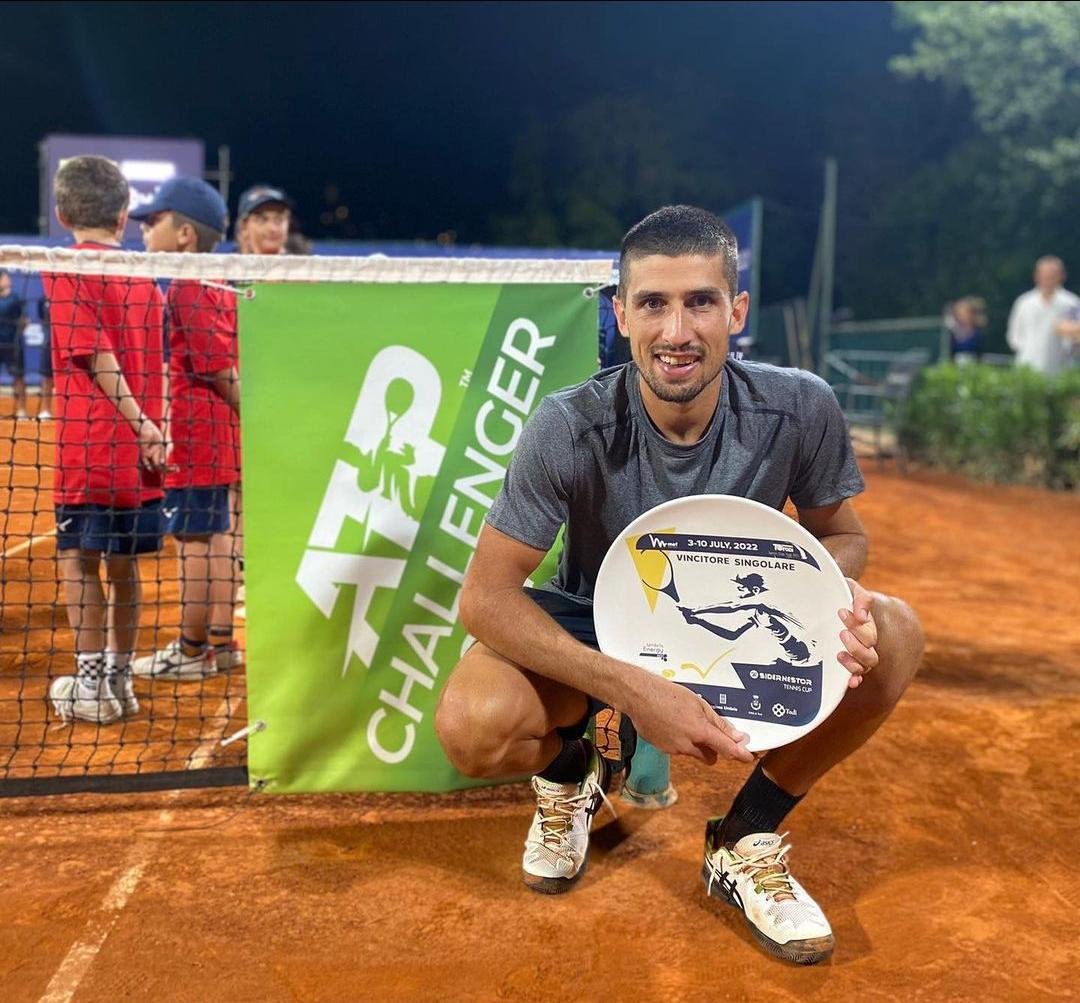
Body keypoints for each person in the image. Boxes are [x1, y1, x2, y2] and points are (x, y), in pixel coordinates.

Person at [434, 206, 924, 966]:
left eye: (700, 301)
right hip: (600, 621)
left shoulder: (800, 405)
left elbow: (843, 533)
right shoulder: (568, 424)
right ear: (621, 314)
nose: (677, 330)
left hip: (739, 624)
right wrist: (630, 688)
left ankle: (745, 834)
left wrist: (838, 599)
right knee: (474, 722)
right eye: (654, 304)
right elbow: (484, 597)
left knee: (893, 635)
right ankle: (572, 777)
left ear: (737, 311)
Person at [42, 155, 167, 723]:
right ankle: (120, 681)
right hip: (141, 461)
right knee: (124, 567)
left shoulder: (64, 266)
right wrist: (152, 427)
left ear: (62, 212)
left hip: (93, 447)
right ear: (122, 216)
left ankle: (92, 687)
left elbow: (95, 354)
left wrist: (138, 420)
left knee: (77, 560)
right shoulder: (146, 276)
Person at [129, 177, 243, 679]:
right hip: (221, 435)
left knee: (194, 541)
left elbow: (217, 366)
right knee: (217, 538)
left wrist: (249, 408)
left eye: (154, 221)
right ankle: (222, 645)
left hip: (199, 436)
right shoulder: (218, 280)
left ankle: (193, 650)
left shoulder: (187, 286)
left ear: (184, 236)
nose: (145, 230)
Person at [1005, 256, 1079, 374]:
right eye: (1045, 274)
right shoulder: (1024, 302)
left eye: (1052, 274)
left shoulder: (1072, 303)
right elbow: (1014, 337)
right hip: (1028, 367)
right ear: (1036, 275)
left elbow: (1076, 339)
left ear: (1062, 275)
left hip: (1061, 369)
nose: (1048, 278)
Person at [0, 268, 29, 419]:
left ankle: (22, 410)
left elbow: (25, 320)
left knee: (18, 377)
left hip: (13, 345)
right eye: (5, 278)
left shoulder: (15, 298)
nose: (8, 280)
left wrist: (16, 336)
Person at [235, 184, 292, 256]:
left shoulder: (302, 266)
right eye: (262, 220)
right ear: (244, 226)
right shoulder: (228, 266)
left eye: (279, 220)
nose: (272, 229)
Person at [945, 296, 985, 364]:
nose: (962, 316)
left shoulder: (978, 334)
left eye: (964, 313)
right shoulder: (951, 333)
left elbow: (980, 355)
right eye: (959, 314)